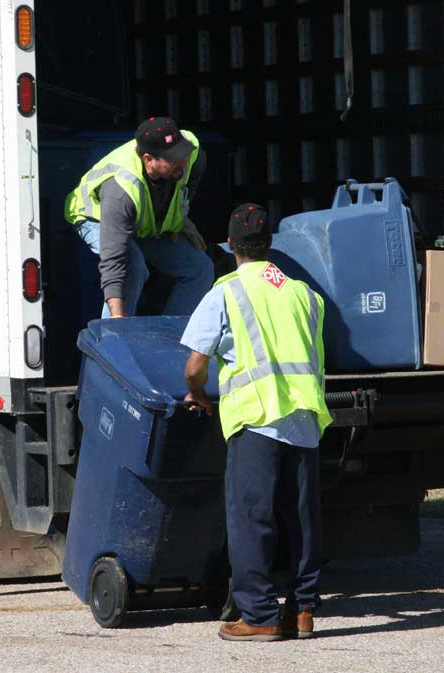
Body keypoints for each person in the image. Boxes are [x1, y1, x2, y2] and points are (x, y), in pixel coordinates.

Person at [180, 204, 333, 642]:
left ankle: (260, 614)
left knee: (252, 518)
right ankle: (302, 611)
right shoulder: (306, 294)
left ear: (230, 246)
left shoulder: (226, 291)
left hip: (257, 418)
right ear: (270, 246)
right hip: (305, 417)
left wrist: (198, 394)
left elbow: (195, 365)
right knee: (303, 518)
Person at [64, 116, 213, 318]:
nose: (182, 162)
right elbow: (114, 261)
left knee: (200, 268)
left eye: (183, 154)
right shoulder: (121, 190)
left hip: (142, 221)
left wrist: (182, 220)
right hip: (96, 217)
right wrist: (118, 320)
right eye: (173, 159)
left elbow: (187, 187)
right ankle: (113, 342)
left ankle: (173, 340)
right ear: (149, 160)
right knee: (132, 265)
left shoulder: (193, 156)